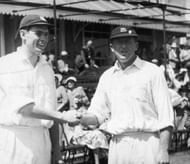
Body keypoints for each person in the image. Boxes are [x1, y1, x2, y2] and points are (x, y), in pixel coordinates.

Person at [80, 26, 174, 164]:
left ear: (136, 45)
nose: (123, 47)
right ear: (111, 47)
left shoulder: (152, 72)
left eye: (128, 42)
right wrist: (80, 117)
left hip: (147, 144)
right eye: (118, 42)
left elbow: (165, 116)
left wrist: (163, 150)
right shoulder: (107, 77)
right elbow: (97, 113)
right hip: (118, 145)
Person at [0, 15, 81, 164]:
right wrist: (63, 116)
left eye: (46, 34)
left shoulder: (47, 69)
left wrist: (57, 152)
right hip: (15, 142)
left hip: (42, 143)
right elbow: (25, 108)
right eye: (38, 33)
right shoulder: (6, 64)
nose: (44, 38)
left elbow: (51, 111)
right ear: (23, 34)